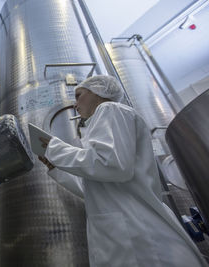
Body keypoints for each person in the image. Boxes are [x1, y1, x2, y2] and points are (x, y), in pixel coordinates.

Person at [38, 75, 208, 267]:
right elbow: (95, 188)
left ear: (98, 91)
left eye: (79, 95)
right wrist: (58, 170)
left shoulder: (110, 109)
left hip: (144, 241)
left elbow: (112, 165)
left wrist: (56, 149)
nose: (75, 104)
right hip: (130, 237)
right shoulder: (104, 121)